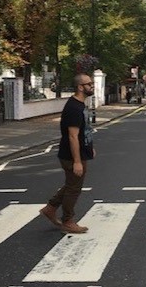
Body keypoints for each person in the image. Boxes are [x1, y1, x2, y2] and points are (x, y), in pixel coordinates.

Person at [39, 73, 96, 234]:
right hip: (71, 156)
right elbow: (72, 136)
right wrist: (77, 161)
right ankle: (68, 221)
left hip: (79, 152)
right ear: (80, 87)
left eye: (91, 83)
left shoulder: (79, 105)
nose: (92, 86)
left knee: (71, 184)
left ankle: (50, 208)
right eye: (89, 84)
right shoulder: (73, 108)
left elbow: (83, 131)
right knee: (74, 188)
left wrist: (89, 146)